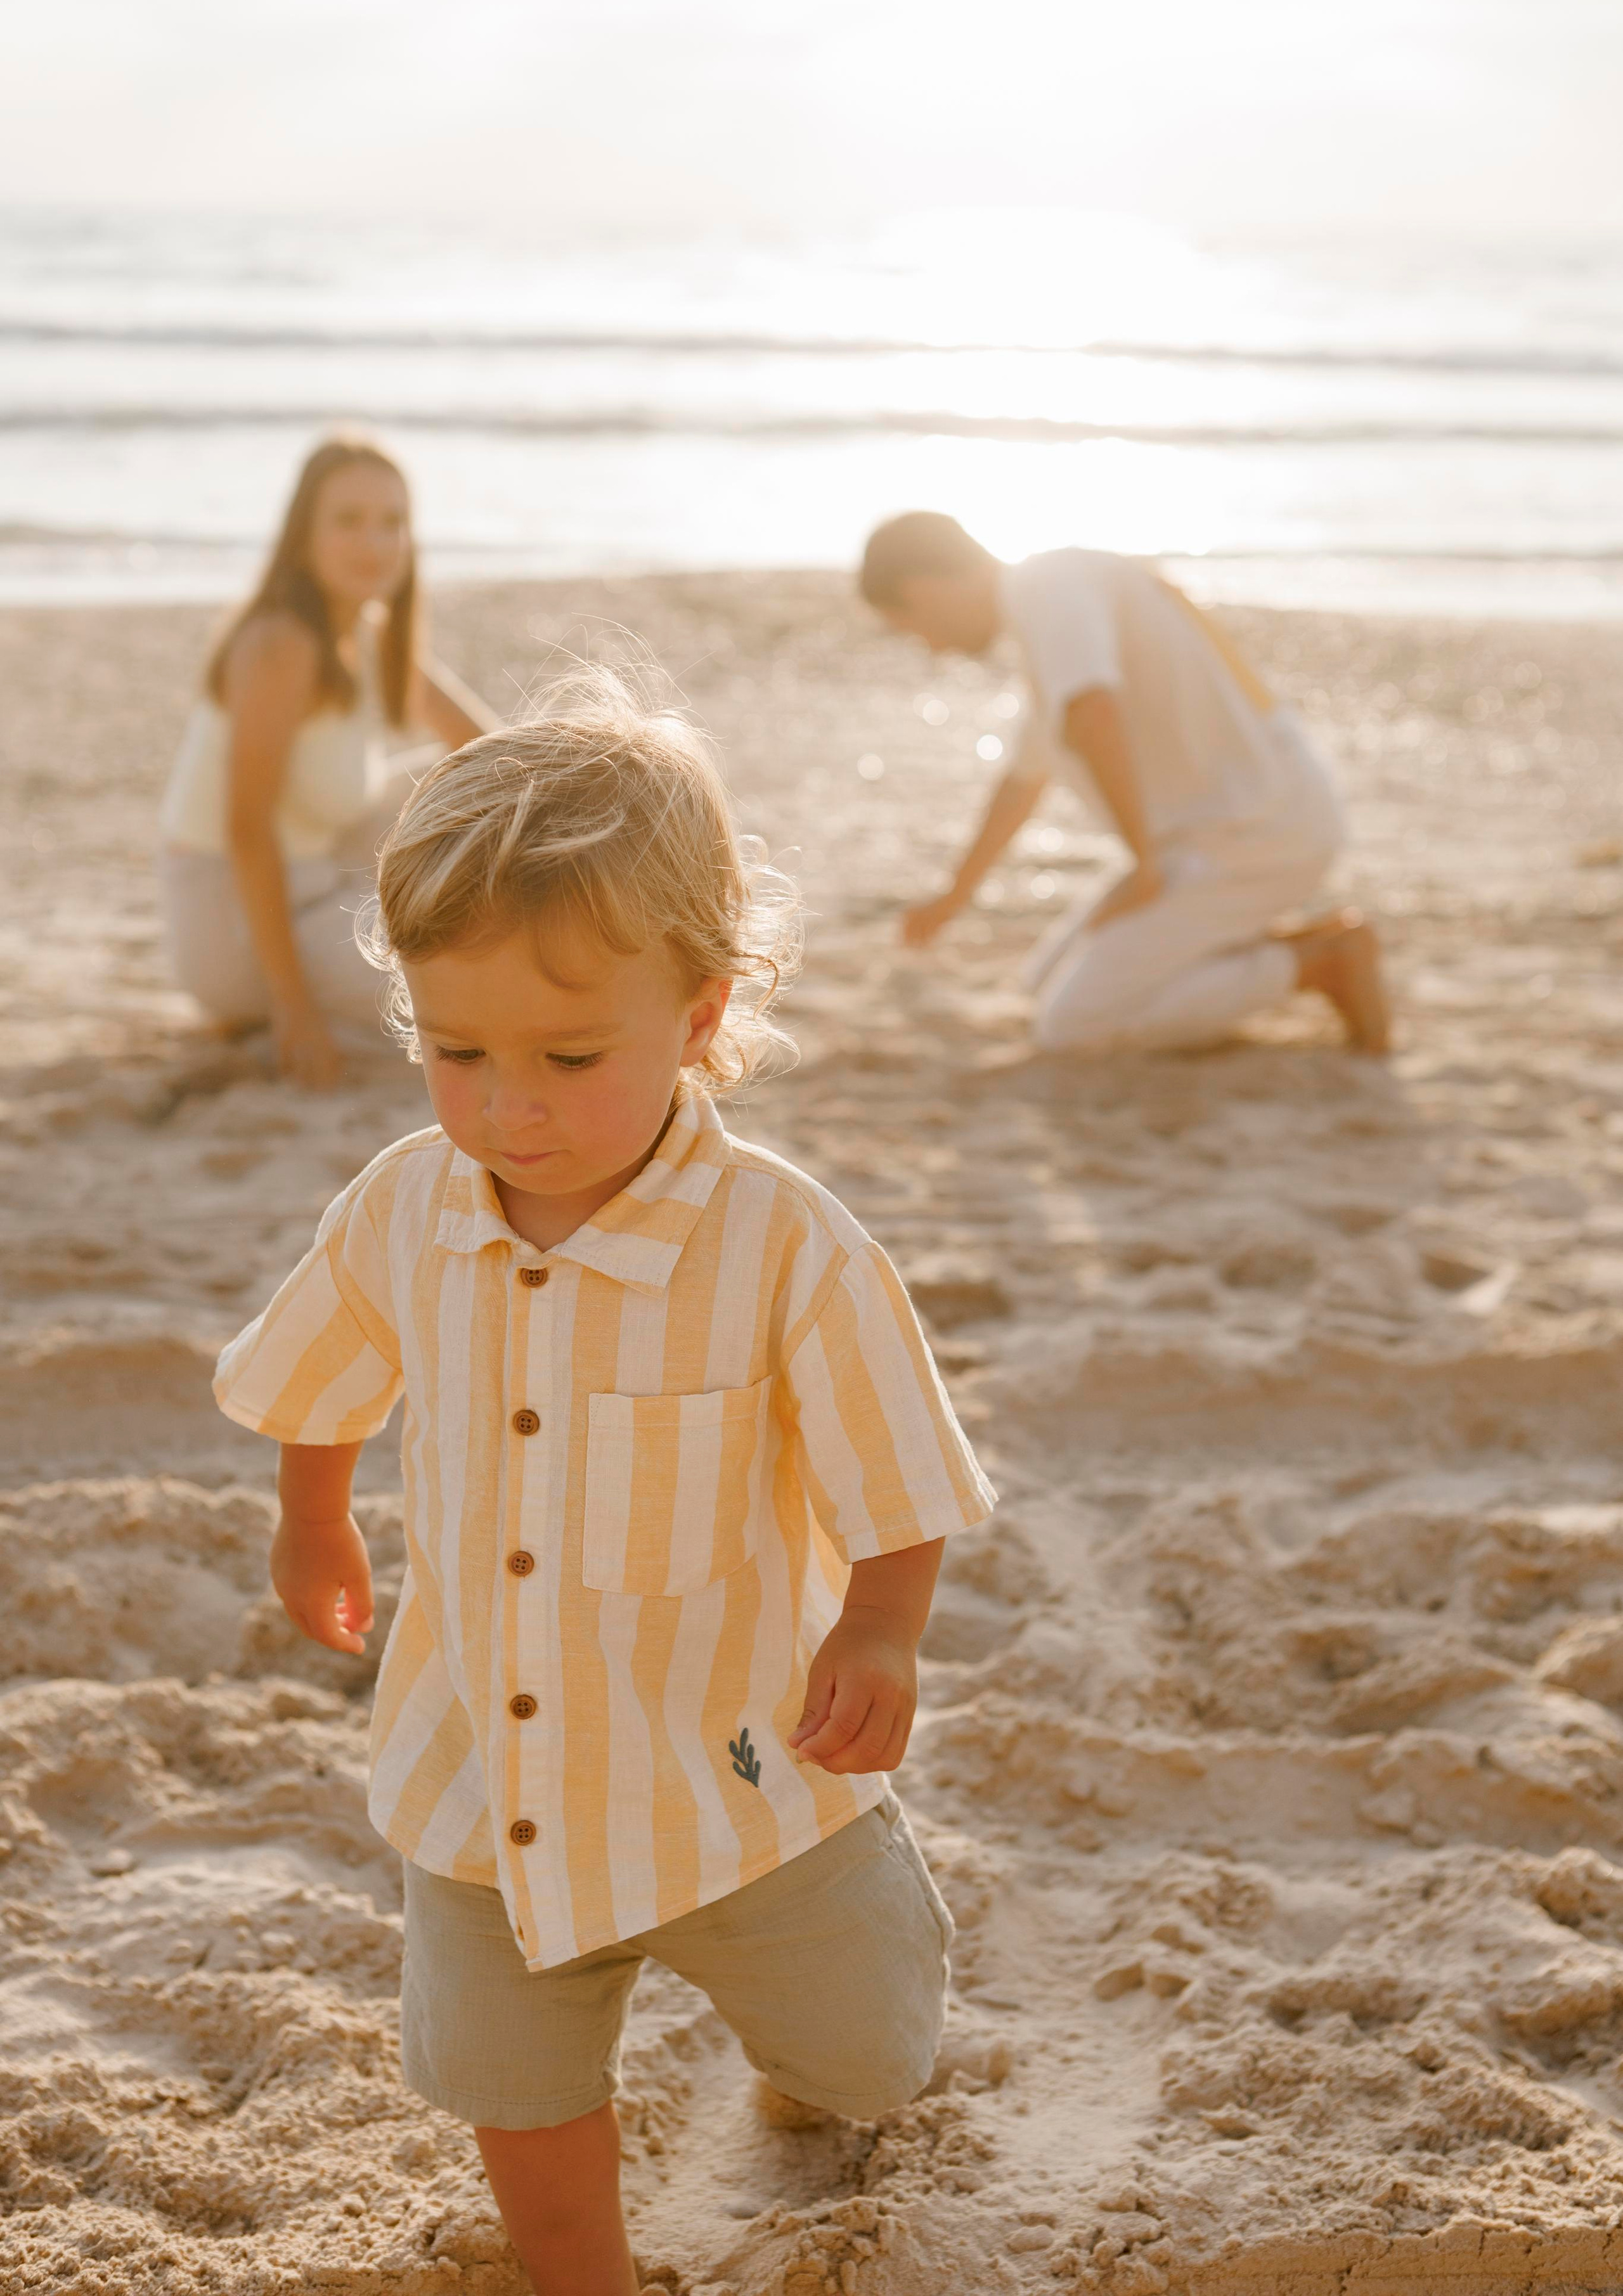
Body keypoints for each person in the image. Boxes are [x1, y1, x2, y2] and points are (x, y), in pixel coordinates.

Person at [211, 681, 995, 2294]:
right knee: (512, 2082)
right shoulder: (408, 1205)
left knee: (868, 2060)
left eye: (568, 1055)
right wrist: (313, 1513)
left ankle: (820, 2046)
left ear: (699, 1015)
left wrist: (880, 1629)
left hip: (736, 1769)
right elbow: (323, 1365)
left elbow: (898, 1466)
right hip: (484, 1780)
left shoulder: (784, 1245)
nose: (507, 1105)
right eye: (456, 1051)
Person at [861, 513, 1390, 1056]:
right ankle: (1270, 946)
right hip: (1213, 831)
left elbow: (1094, 712)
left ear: (920, 590)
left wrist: (1143, 864)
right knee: (1041, 984)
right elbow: (1023, 782)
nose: (933, 648)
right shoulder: (1046, 607)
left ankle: (1322, 963)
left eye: (912, 627)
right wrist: (953, 898)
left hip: (1260, 829)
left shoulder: (1049, 586)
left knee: (1073, 1029)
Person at [159, 434, 496, 1088]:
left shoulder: (364, 630)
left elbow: (486, 745)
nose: (374, 542)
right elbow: (246, 830)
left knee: (477, 779)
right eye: (348, 520)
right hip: (233, 913)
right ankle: (277, 1006)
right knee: (453, 985)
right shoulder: (279, 643)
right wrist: (295, 1009)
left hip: (318, 863)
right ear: (304, 534)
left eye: (392, 522)